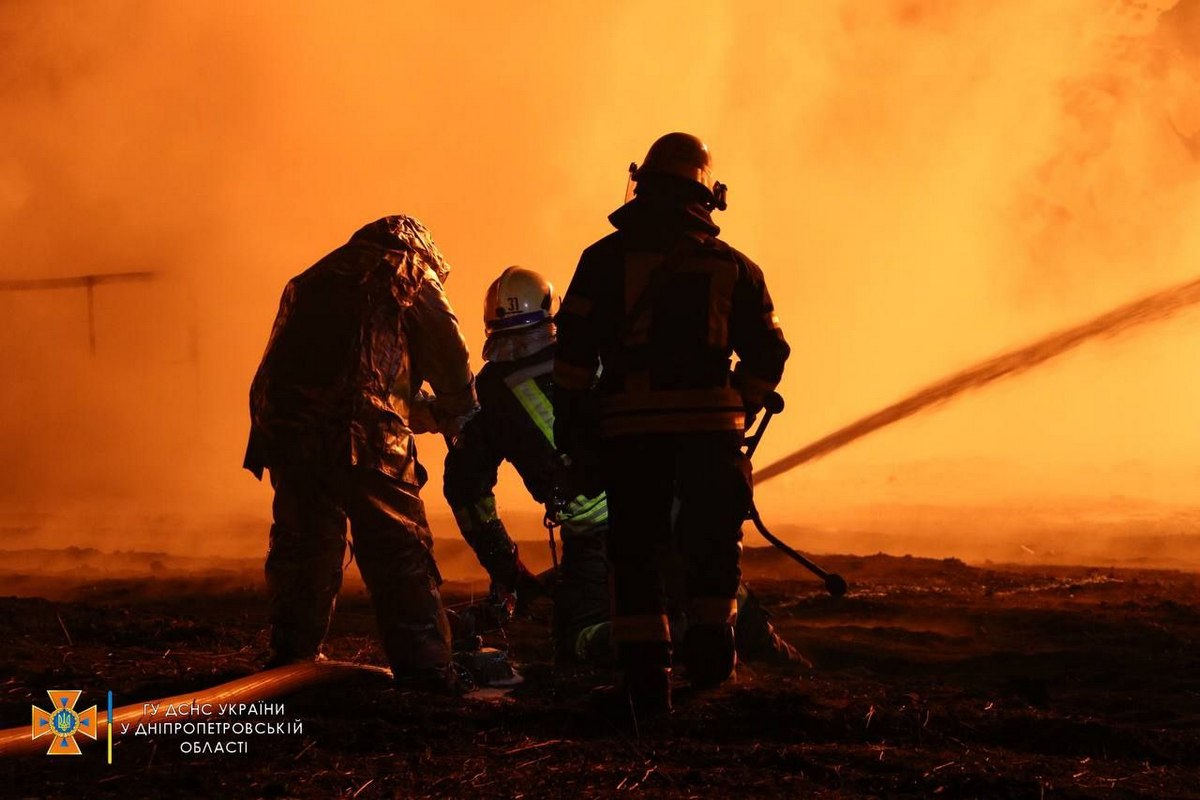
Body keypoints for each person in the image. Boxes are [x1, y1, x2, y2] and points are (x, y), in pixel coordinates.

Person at [442, 266, 802, 671]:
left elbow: (465, 486)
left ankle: (679, 639)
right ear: (552, 312)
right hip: (665, 504)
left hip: (596, 539)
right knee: (711, 579)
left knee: (579, 640)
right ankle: (774, 656)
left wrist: (508, 569)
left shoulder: (491, 391)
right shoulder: (592, 351)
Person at [553, 133, 791, 713]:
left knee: (635, 550)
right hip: (712, 435)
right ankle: (712, 662)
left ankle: (645, 679)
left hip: (631, 435)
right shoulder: (735, 268)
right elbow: (770, 353)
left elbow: (573, 359)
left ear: (644, 183)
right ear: (707, 195)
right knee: (712, 545)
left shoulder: (603, 260)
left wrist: (577, 431)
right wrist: (746, 398)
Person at [244, 215, 478, 694]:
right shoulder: (410, 269)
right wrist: (462, 413)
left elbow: (346, 374)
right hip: (366, 437)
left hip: (286, 431)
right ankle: (428, 675)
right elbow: (448, 357)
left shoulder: (311, 279)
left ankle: (292, 658)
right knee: (399, 553)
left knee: (304, 546)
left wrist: (419, 411)